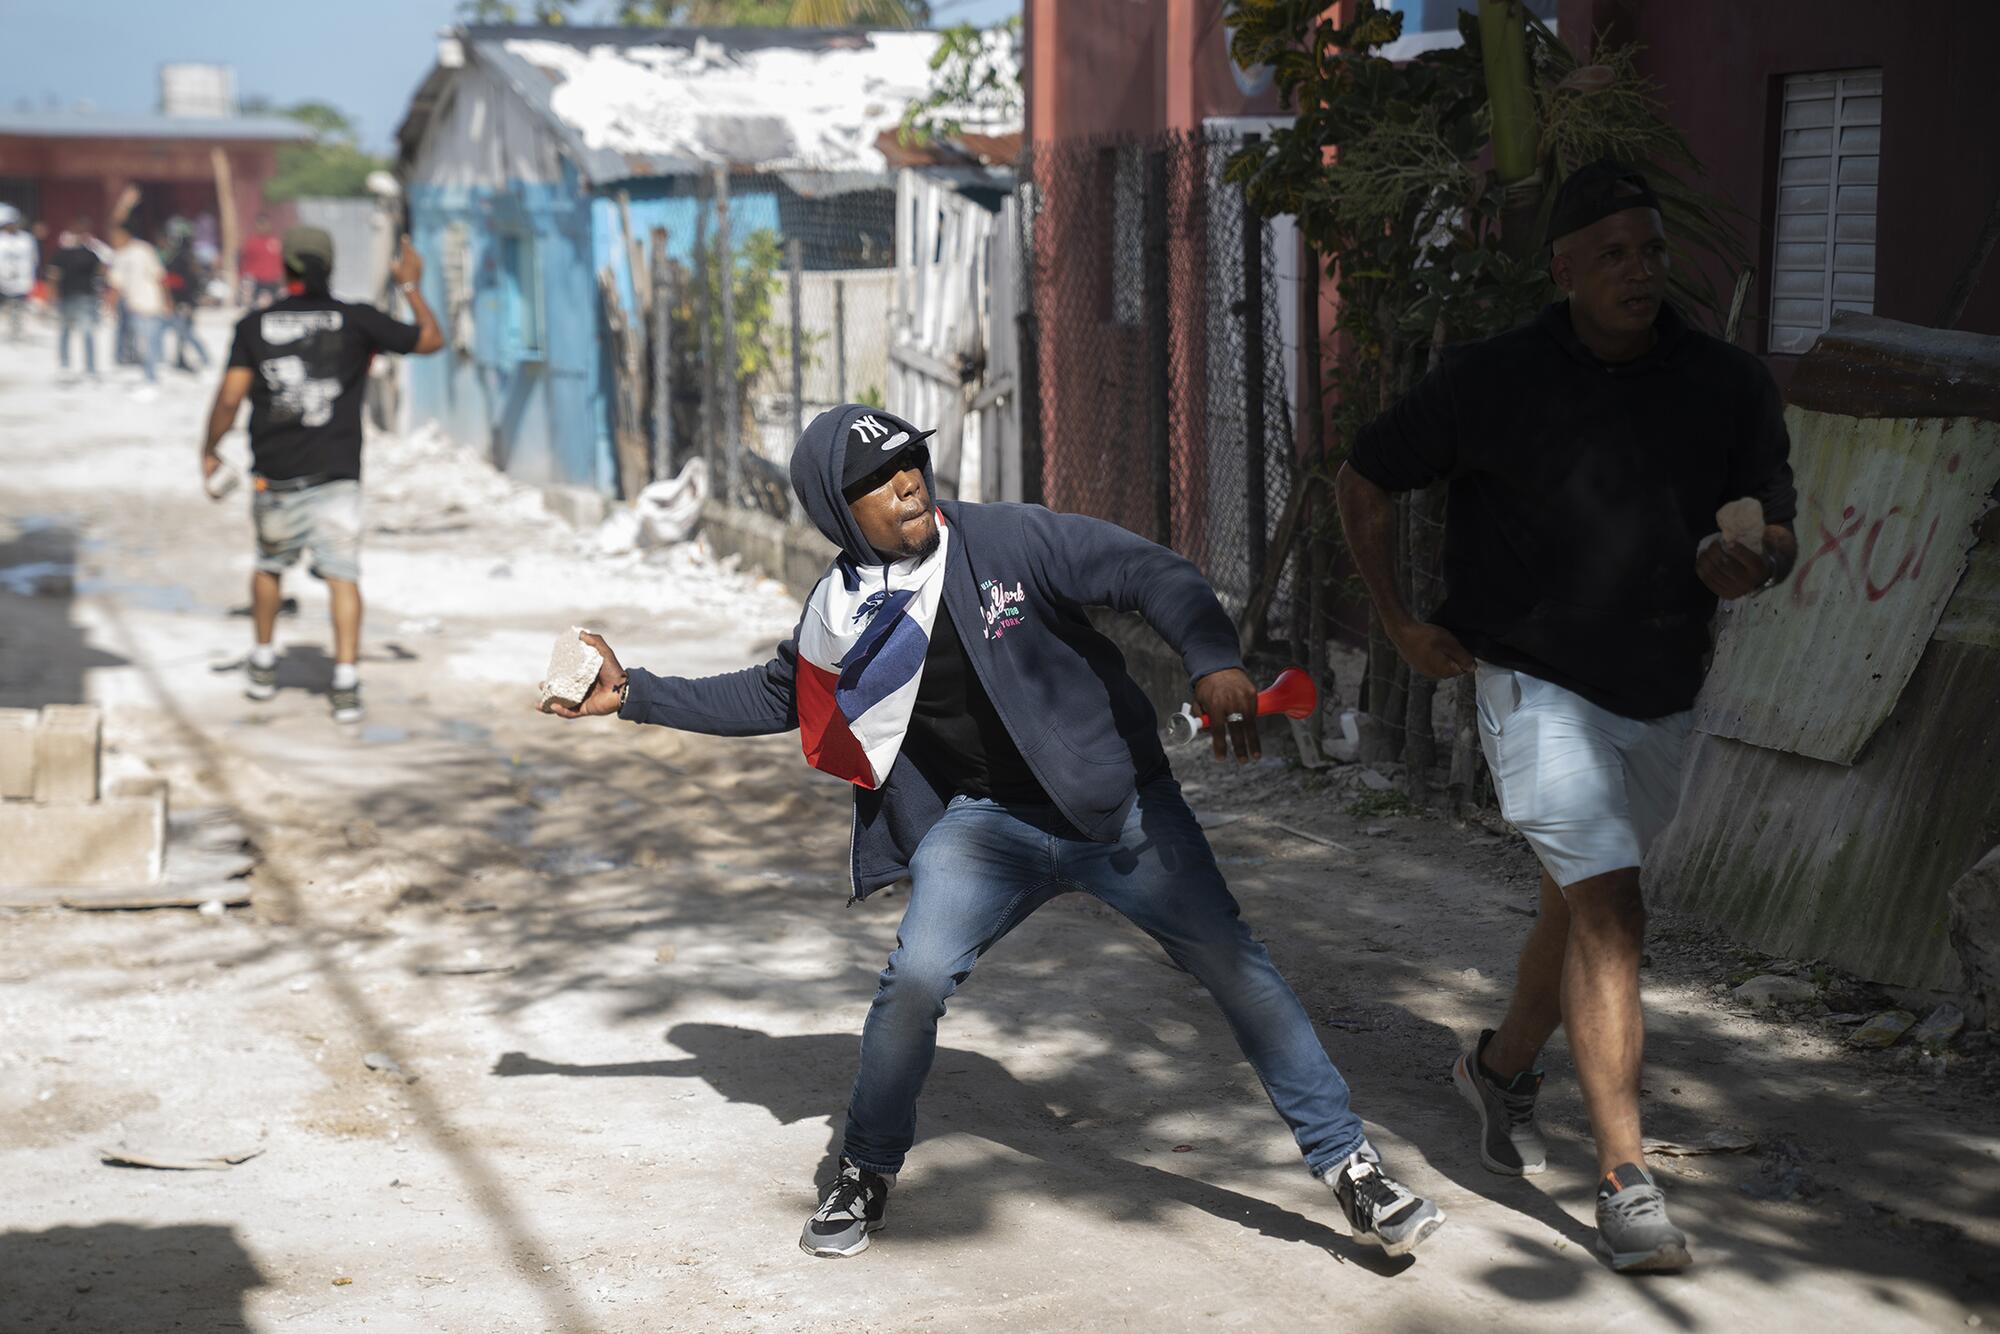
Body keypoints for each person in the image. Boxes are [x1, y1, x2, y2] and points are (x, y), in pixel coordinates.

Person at [542, 405, 1448, 1263]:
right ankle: (863, 1170)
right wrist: (637, 695)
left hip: (1117, 808)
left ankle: (1350, 1166)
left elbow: (1152, 572)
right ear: (837, 512)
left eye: (909, 461)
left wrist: (1212, 660)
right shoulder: (840, 612)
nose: (906, 483)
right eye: (877, 478)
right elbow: (778, 696)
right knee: (916, 979)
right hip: (985, 826)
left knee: (1232, 963)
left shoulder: (1007, 539)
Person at [1335, 160, 1798, 1275]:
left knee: (1577, 906)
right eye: (1611, 255)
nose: (1637, 271)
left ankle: (1494, 1069)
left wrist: (1750, 560)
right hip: (1529, 679)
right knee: (1613, 913)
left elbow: (1773, 530)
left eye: (1647, 250)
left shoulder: (1726, 383)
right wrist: (1395, 618)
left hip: (1660, 686)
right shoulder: (1490, 379)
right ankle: (1625, 1177)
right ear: (1563, 269)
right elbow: (1361, 477)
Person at [200, 225, 443, 723]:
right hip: (337, 475)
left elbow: (229, 397)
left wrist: (209, 449)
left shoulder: (253, 326)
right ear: (329, 268)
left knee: (269, 566)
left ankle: (264, 663)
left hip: (275, 473)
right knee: (343, 576)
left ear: (284, 267)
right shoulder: (358, 320)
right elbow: (430, 341)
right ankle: (347, 683)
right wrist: (411, 286)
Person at [107, 225, 171, 396]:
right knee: (143, 343)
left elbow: (160, 276)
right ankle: (149, 374)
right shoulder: (119, 255)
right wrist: (110, 305)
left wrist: (167, 300)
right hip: (133, 305)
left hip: (151, 303)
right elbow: (116, 284)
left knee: (150, 343)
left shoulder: (144, 250)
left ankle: (153, 377)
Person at [46, 219, 105, 382]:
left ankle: (65, 365)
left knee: (65, 332)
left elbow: (53, 276)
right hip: (86, 297)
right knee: (86, 333)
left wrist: (51, 295)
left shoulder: (61, 253)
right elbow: (101, 273)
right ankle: (90, 368)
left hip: (66, 297)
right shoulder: (91, 253)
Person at [163, 221, 211, 373]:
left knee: (186, 332)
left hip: (183, 301)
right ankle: (181, 358)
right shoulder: (188, 258)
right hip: (187, 300)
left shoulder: (180, 259)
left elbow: (181, 283)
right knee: (184, 332)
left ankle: (204, 357)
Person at [0, 207, 36, 342]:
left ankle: (18, 331)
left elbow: (33, 259)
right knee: (6, 309)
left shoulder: (26, 239)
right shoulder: (1, 240)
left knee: (20, 308)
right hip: (3, 281)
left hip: (22, 280)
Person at [240, 214, 285, 308]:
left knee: (274, 307)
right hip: (257, 281)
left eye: (266, 224)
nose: (264, 227)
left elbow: (280, 261)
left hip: (273, 281)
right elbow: (244, 262)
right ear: (257, 226)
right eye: (261, 225)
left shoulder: (275, 241)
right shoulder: (251, 243)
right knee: (256, 308)